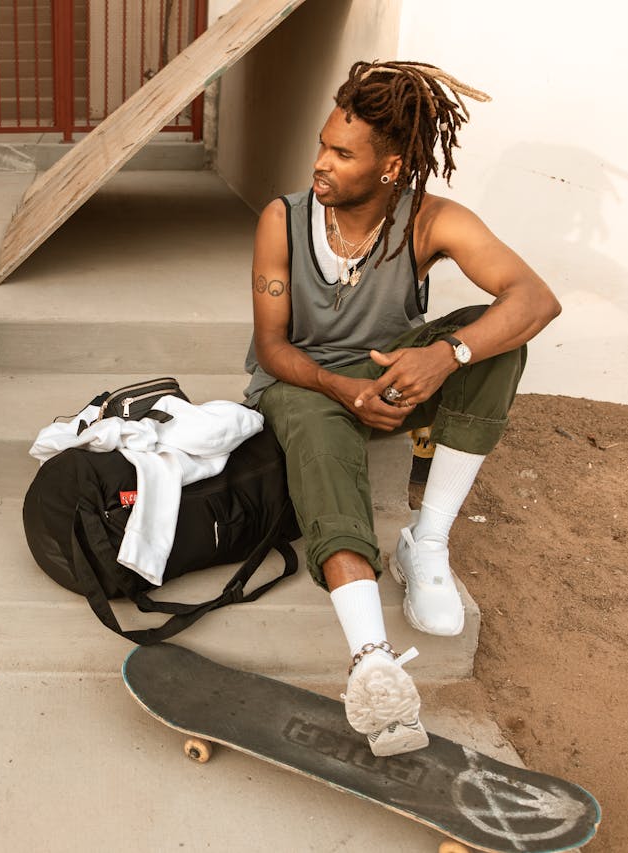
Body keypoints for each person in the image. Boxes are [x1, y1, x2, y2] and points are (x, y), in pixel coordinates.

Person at [245, 61, 560, 757]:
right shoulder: (284, 219)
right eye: (324, 144)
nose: (320, 162)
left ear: (391, 168)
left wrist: (447, 353)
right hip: (305, 383)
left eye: (341, 153)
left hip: (390, 379)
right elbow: (271, 347)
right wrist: (339, 388)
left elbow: (535, 299)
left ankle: (428, 542)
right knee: (319, 434)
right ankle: (372, 661)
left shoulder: (431, 220)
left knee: (494, 335)